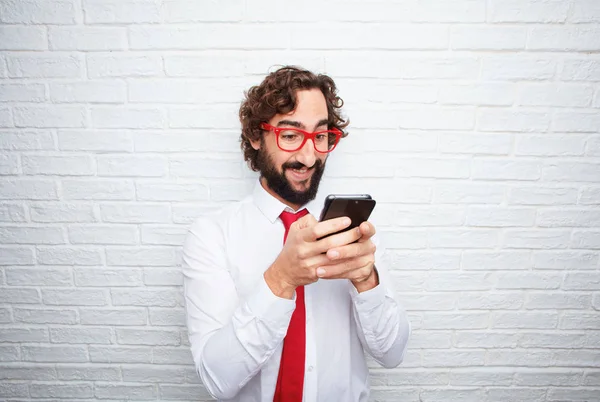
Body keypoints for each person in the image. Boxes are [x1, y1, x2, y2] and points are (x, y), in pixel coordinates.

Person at [182, 66, 411, 401]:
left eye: (320, 136)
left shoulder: (353, 232)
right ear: (255, 137)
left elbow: (391, 355)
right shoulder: (212, 235)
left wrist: (367, 281)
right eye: (290, 136)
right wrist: (281, 278)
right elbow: (217, 381)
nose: (309, 156)